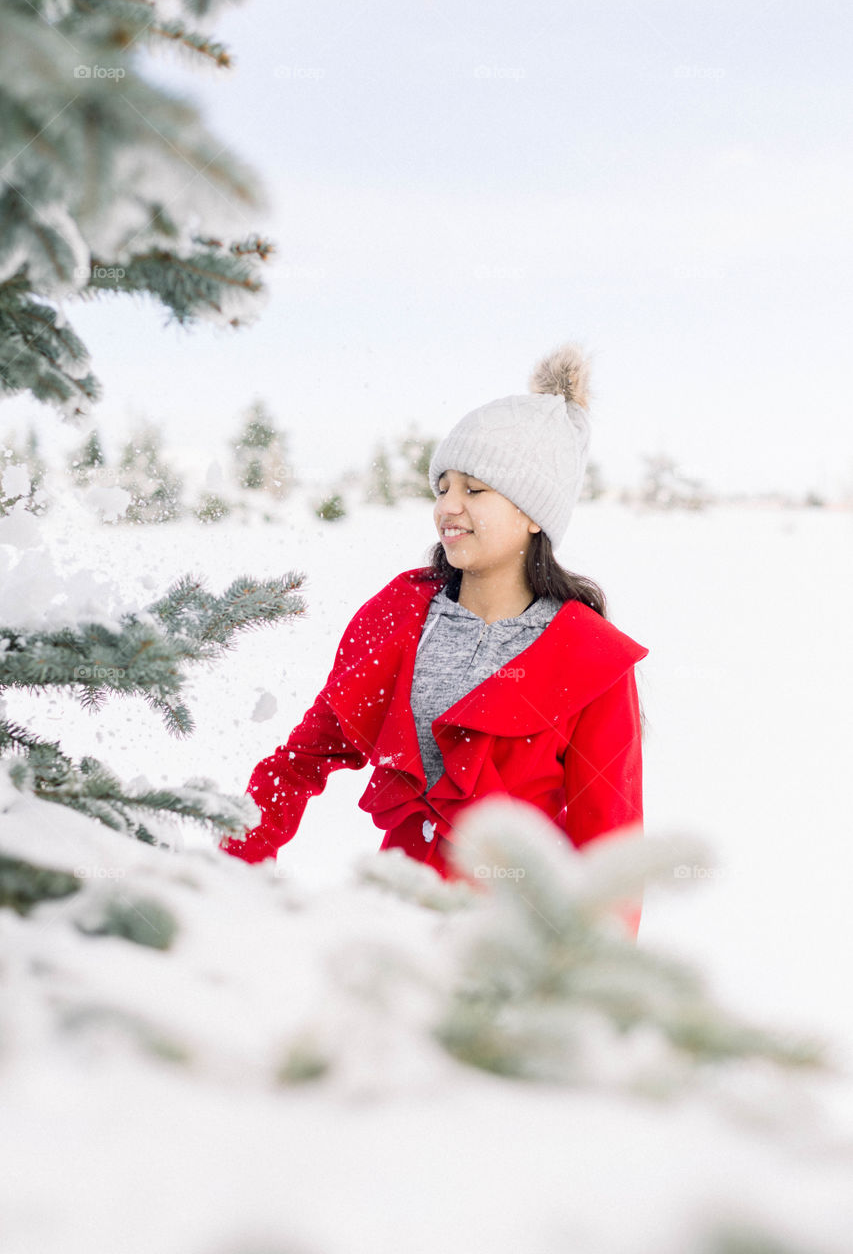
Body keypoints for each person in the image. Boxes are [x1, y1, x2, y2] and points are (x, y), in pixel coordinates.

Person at [219, 343, 650, 936]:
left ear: (534, 515)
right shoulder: (401, 615)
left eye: (474, 490)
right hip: (389, 937)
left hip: (506, 955)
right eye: (441, 488)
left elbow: (610, 842)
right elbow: (301, 760)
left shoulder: (590, 656)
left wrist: (586, 988)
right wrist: (230, 875)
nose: (448, 506)